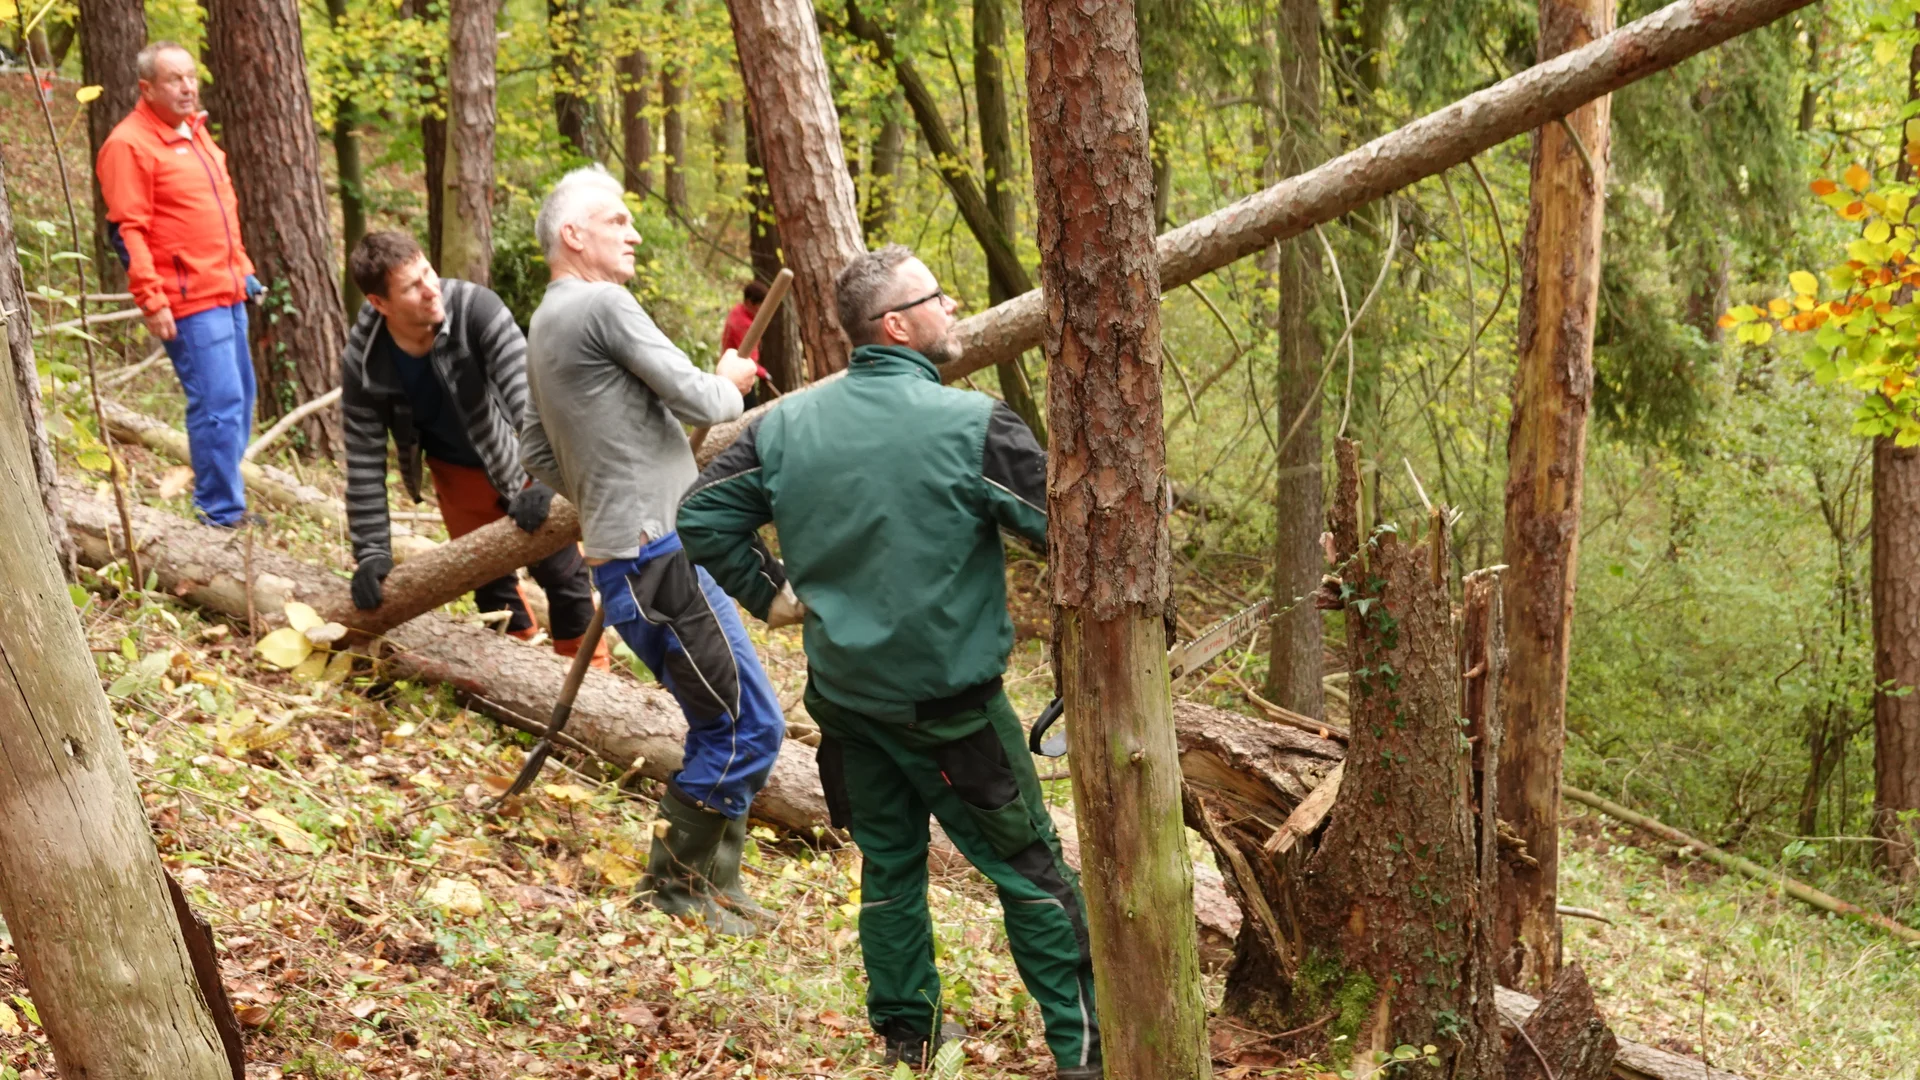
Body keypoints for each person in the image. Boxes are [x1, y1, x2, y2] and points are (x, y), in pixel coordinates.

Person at [677, 245, 1101, 1078]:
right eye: (936, 297)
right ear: (898, 325)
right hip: (952, 715)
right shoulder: (973, 424)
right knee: (1031, 873)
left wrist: (772, 593)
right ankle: (1084, 1055)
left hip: (847, 703)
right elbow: (1074, 531)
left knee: (891, 870)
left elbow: (700, 515)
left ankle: (910, 1043)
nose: (952, 306)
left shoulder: (785, 425)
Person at [518, 166, 785, 935]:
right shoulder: (602, 303)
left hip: (635, 555)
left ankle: (713, 887)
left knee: (726, 719)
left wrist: (607, 488)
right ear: (574, 235)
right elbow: (702, 399)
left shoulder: (547, 319)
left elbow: (535, 448)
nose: (633, 234)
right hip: (658, 553)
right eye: (618, 220)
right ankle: (675, 893)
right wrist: (731, 377)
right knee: (747, 725)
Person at [338, 231, 608, 669]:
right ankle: (516, 678)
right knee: (493, 592)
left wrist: (548, 475)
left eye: (428, 272)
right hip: (455, 475)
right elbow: (364, 462)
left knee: (565, 576)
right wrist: (371, 553)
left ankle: (591, 682)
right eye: (412, 286)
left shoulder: (476, 309)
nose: (431, 289)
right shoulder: (364, 362)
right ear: (379, 303)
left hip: (519, 457)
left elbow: (529, 394)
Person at [97, 40, 263, 527]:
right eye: (175, 79)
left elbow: (219, 212)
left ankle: (221, 499)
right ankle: (219, 513)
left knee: (239, 400)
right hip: (187, 299)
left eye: (191, 76)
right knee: (217, 405)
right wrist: (152, 299)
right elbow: (128, 231)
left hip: (227, 289)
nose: (188, 87)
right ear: (147, 88)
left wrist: (243, 269)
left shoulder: (196, 133)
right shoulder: (129, 145)